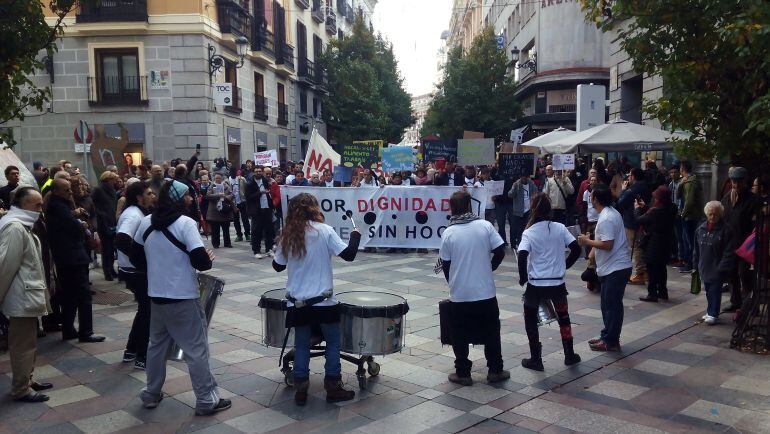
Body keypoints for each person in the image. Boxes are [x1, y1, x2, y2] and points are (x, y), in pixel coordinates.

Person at [131, 181, 229, 416]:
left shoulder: (147, 222)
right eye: (187, 196)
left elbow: (134, 255)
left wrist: (156, 269)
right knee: (196, 350)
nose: (191, 199)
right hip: (183, 296)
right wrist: (208, 258)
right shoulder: (186, 224)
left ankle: (151, 394)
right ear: (177, 199)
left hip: (156, 295)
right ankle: (206, 399)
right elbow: (201, 262)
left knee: (155, 346)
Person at [271, 193, 361, 405]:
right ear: (314, 208)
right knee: (332, 342)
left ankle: (301, 389)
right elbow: (349, 255)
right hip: (324, 301)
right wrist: (355, 236)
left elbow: (277, 266)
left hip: (298, 302)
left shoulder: (288, 234)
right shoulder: (325, 231)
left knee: (302, 344)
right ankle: (333, 387)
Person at [439, 191, 508, 386]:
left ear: (452, 208)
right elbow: (500, 251)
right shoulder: (485, 226)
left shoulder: (449, 232)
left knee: (459, 333)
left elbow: (445, 264)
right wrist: (489, 268)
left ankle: (463, 373)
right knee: (491, 331)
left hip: (460, 294)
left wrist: (453, 281)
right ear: (469, 206)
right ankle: (495, 370)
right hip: (485, 292)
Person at [517, 193, 582, 371]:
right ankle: (569, 355)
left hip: (536, 284)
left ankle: (536, 358)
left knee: (530, 319)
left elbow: (522, 255)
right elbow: (576, 248)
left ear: (533, 210)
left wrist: (523, 277)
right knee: (564, 318)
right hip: (557, 283)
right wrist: (565, 265)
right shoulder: (560, 228)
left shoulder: (529, 232)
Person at [0, 187, 53, 402]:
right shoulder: (14, 228)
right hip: (20, 297)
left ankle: (26, 380)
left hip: (26, 296)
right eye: (37, 205)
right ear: (23, 205)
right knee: (23, 344)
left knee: (28, 342)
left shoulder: (23, 225)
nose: (40, 210)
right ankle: (20, 388)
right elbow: (5, 265)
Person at [46, 179, 105, 343]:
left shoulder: (60, 206)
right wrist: (80, 224)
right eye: (67, 190)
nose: (70, 193)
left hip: (68, 256)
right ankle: (86, 332)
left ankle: (69, 329)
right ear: (56, 192)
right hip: (71, 256)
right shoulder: (59, 207)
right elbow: (75, 228)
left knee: (69, 296)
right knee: (83, 295)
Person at [578, 184, 631, 351]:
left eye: (591, 196)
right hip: (611, 267)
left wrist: (587, 242)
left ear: (595, 199)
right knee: (607, 305)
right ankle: (607, 335)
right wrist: (591, 250)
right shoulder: (609, 213)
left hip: (616, 268)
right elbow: (603, 241)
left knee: (612, 306)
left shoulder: (607, 217)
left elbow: (607, 244)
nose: (590, 199)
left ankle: (611, 340)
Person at [115, 181, 155, 370]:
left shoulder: (137, 212)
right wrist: (139, 260)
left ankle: (131, 349)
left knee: (144, 310)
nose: (152, 196)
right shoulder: (133, 215)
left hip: (134, 270)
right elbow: (122, 239)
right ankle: (142, 355)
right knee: (147, 312)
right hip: (135, 271)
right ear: (139, 197)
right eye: (149, 193)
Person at [720, 166, 759, 312]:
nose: (735, 184)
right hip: (730, 243)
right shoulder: (728, 197)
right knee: (731, 273)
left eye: (738, 181)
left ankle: (751, 305)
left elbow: (756, 223)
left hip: (745, 244)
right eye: (733, 181)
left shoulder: (753, 199)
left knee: (745, 274)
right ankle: (735, 301)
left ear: (744, 181)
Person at [634, 186, 678, 302]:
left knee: (652, 268)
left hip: (654, 243)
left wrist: (637, 209)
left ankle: (652, 293)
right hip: (667, 241)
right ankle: (663, 291)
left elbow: (639, 219)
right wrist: (646, 207)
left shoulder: (655, 211)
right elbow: (656, 215)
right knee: (662, 268)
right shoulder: (672, 208)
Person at [694, 201, 734, 325]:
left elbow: (729, 251)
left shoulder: (726, 230)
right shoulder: (701, 229)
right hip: (705, 265)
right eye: (710, 214)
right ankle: (710, 310)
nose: (712, 217)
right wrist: (695, 264)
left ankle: (713, 313)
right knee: (708, 290)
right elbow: (696, 249)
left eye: (715, 214)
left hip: (717, 267)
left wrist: (722, 266)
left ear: (720, 214)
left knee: (715, 291)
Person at [616, 168, 651, 285]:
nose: (628, 177)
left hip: (632, 221)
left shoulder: (631, 190)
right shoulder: (646, 186)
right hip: (644, 219)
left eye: (630, 175)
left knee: (636, 246)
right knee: (640, 245)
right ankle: (643, 272)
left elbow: (620, 203)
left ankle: (640, 273)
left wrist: (623, 190)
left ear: (634, 176)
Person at [676, 161, 704, 273]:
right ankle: (690, 263)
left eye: (680, 168)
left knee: (689, 241)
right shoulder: (688, 181)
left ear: (682, 169)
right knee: (687, 239)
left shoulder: (690, 183)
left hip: (689, 216)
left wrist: (683, 214)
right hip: (691, 215)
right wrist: (681, 183)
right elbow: (678, 194)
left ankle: (691, 264)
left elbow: (689, 201)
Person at [91, 171, 119, 281]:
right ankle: (107, 271)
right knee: (106, 248)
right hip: (103, 222)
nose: (115, 181)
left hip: (112, 221)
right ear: (107, 179)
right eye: (114, 179)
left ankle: (111, 268)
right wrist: (100, 213)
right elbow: (92, 203)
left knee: (112, 247)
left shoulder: (112, 190)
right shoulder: (98, 190)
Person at [246, 166, 275, 258]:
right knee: (256, 231)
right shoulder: (250, 183)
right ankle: (256, 250)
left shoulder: (266, 181)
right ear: (253, 172)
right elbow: (248, 197)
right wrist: (260, 193)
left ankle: (269, 249)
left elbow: (270, 193)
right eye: (256, 171)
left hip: (267, 208)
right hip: (256, 210)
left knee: (269, 230)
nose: (258, 173)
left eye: (259, 171)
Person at [205, 173, 234, 249]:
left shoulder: (226, 186)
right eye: (216, 178)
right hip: (214, 211)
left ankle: (227, 243)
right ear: (214, 179)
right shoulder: (211, 186)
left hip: (224, 210)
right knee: (215, 229)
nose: (218, 179)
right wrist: (218, 195)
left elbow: (232, 195)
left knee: (226, 229)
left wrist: (226, 197)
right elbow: (208, 196)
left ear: (222, 179)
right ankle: (215, 243)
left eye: (219, 178)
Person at [508, 174, 537, 249]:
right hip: (518, 210)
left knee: (525, 228)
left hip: (528, 210)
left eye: (526, 176)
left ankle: (522, 243)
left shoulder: (531, 184)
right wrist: (515, 188)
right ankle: (513, 243)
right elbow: (510, 195)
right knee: (516, 228)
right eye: (522, 176)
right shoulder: (516, 184)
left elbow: (536, 193)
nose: (524, 178)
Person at [229, 167, 250, 242]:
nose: (233, 174)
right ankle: (239, 235)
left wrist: (245, 197)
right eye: (232, 173)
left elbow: (246, 188)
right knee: (236, 220)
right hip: (233, 203)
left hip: (242, 201)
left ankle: (247, 234)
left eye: (234, 173)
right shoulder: (227, 181)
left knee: (245, 219)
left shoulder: (242, 179)